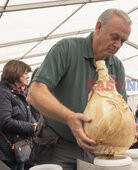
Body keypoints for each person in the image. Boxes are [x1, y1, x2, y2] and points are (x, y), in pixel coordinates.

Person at [27, 8, 131, 169]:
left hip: (96, 149)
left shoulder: (116, 66)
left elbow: (122, 107)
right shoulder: (67, 49)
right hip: (58, 144)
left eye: (123, 41)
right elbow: (34, 93)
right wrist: (69, 117)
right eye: (114, 37)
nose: (117, 45)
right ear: (98, 27)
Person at [0, 60, 37, 170]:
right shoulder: (3, 93)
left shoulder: (18, 92)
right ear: (15, 73)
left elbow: (27, 113)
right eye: (25, 73)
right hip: (9, 152)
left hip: (20, 149)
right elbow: (5, 121)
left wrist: (34, 123)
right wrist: (31, 128)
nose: (28, 76)